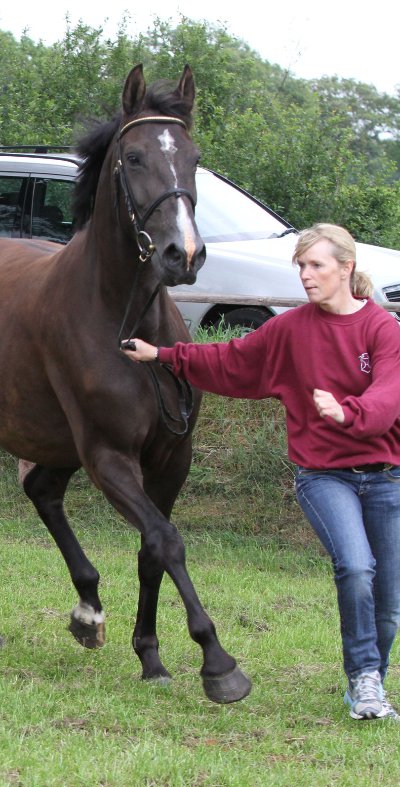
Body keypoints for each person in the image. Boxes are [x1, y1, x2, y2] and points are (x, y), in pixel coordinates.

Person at [122, 223, 400, 721]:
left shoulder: (381, 329)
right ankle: (365, 682)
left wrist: (347, 412)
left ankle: (368, 680)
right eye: (301, 266)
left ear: (345, 268)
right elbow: (230, 360)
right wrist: (162, 354)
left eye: (315, 265)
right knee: (357, 568)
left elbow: (388, 397)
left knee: (389, 597)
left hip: (385, 476)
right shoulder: (291, 329)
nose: (306, 276)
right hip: (324, 474)